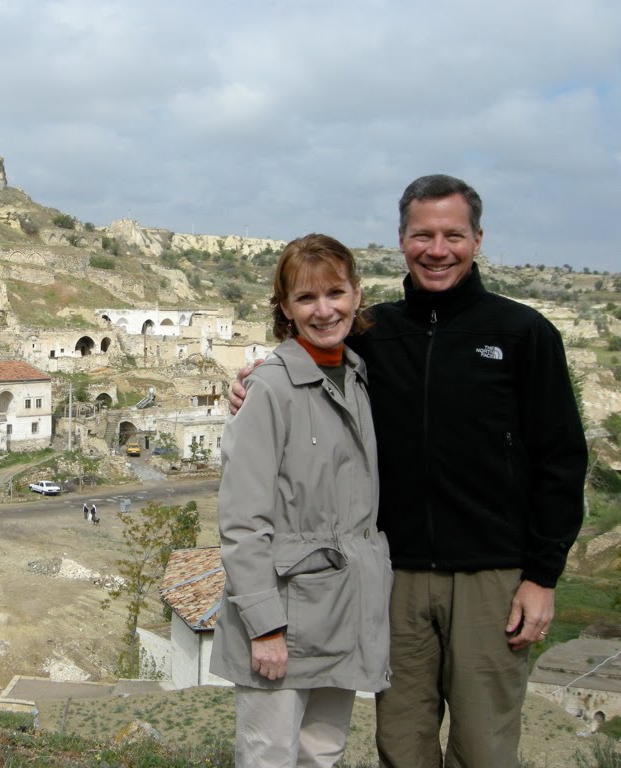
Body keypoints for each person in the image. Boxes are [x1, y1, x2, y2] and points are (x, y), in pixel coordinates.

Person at [229, 175, 587, 767]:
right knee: (400, 743)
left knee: (485, 746)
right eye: (423, 234)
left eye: (453, 234)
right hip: (393, 579)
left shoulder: (523, 334)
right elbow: (303, 368)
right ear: (401, 240)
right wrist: (249, 385)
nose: (437, 249)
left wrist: (542, 576)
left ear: (478, 238)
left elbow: (560, 461)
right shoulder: (373, 335)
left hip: (492, 580)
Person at [211, 234, 392, 768]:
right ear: (285, 308)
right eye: (306, 298)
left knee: (323, 752)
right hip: (285, 615)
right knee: (269, 754)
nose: (324, 309)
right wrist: (264, 626)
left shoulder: (356, 378)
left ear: (357, 296)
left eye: (335, 292)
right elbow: (242, 520)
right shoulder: (268, 388)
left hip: (341, 609)